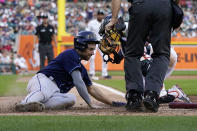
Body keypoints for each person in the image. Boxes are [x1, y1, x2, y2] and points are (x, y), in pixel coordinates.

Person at [15, 31, 125, 112]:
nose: (92, 53)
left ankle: (37, 106)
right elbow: (78, 82)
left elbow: (91, 88)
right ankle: (24, 104)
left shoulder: (81, 68)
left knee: (71, 99)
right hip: (44, 80)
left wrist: (112, 103)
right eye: (91, 49)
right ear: (81, 46)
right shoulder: (71, 55)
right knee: (44, 92)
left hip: (55, 91)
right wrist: (90, 103)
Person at [106, 0, 173, 112]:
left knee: (132, 54)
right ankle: (152, 94)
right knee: (161, 54)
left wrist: (114, 18)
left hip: (140, 6)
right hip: (164, 6)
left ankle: (134, 97)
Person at [86, 10, 112, 80]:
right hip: (93, 42)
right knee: (92, 58)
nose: (100, 16)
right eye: (99, 14)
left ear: (103, 15)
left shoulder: (105, 22)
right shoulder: (92, 22)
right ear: (96, 15)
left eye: (101, 14)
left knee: (105, 57)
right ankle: (91, 73)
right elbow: (87, 30)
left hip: (102, 42)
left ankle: (105, 73)